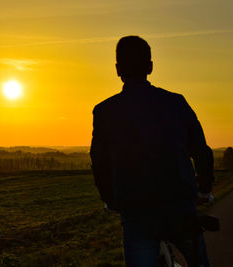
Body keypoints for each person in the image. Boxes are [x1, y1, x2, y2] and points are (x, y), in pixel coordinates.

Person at [90, 35, 214, 267]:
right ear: (151, 67)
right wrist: (204, 189)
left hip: (137, 214)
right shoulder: (177, 103)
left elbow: (99, 163)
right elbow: (201, 151)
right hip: (180, 208)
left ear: (117, 70)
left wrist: (110, 199)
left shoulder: (105, 111)